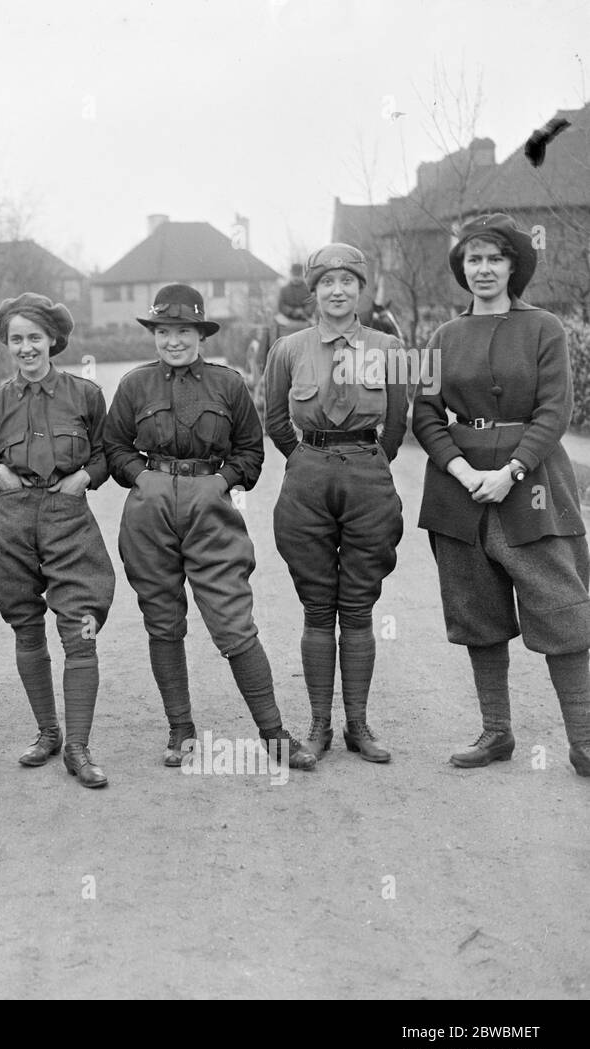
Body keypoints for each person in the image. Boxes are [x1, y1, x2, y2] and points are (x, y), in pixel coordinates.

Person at [103, 284, 316, 771]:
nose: (173, 341)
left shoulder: (228, 384)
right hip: (150, 512)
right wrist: (144, 480)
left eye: (183, 331)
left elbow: (250, 452)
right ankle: (180, 730)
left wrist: (219, 482)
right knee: (162, 621)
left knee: (233, 622)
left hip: (210, 510)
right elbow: (113, 447)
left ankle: (274, 734)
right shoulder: (135, 385)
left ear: (201, 334)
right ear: (153, 334)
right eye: (163, 331)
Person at [413, 213, 590, 777]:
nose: (483, 269)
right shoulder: (443, 337)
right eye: (473, 260)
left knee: (561, 613)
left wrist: (510, 470)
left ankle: (584, 742)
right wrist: (462, 469)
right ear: (462, 270)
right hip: (457, 493)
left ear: (513, 267)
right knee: (477, 615)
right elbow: (425, 413)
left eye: (494, 259)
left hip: (533, 487)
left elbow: (554, 412)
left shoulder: (544, 329)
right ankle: (496, 734)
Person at [263, 243, 409, 761]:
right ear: (315, 293)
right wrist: (308, 460)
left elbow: (396, 422)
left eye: (348, 281)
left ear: (360, 290)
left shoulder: (389, 348)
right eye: (327, 282)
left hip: (368, 475)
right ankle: (320, 726)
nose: (338, 291)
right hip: (308, 475)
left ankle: (359, 727)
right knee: (318, 605)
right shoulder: (288, 349)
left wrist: (370, 462)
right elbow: (276, 422)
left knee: (360, 604)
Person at [0, 293, 114, 787]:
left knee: (81, 627)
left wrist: (85, 478)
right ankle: (47, 732)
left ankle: (78, 746)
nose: (26, 348)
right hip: (12, 521)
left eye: (35, 337)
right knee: (25, 625)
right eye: (16, 339)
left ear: (53, 340)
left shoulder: (85, 395)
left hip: (67, 518)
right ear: (7, 345)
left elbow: (106, 453)